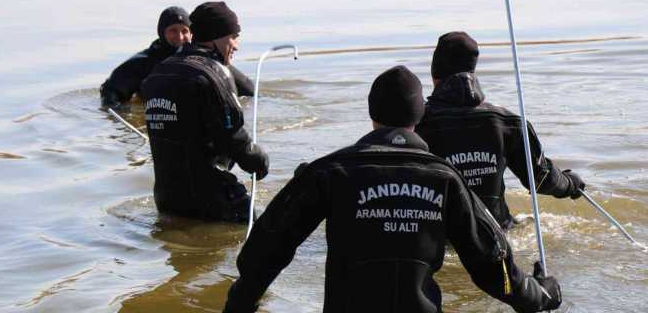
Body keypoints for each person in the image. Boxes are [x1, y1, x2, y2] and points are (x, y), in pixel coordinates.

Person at [222, 66, 562, 313]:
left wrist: (243, 298)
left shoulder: (331, 171)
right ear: (419, 115)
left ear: (372, 114)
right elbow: (492, 263)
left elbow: (270, 243)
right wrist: (539, 295)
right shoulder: (445, 178)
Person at [415, 32, 586, 229]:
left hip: (438, 239)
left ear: (434, 73)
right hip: (496, 234)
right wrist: (570, 184)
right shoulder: (508, 123)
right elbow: (540, 179)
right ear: (473, 70)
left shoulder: (415, 125)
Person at [140, 1, 269, 222]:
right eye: (233, 36)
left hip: (166, 200)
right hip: (214, 201)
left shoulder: (157, 74)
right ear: (216, 37)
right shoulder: (215, 73)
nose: (236, 45)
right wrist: (260, 163)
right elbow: (233, 139)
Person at [100, 6, 254, 108]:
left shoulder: (204, 61)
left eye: (185, 31)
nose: (180, 37)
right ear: (162, 32)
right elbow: (110, 94)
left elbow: (249, 91)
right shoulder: (143, 62)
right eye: (173, 31)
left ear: (192, 33)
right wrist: (130, 117)